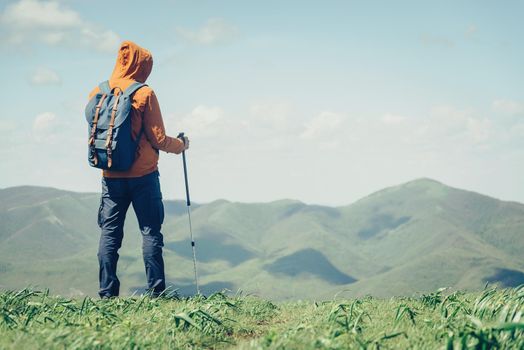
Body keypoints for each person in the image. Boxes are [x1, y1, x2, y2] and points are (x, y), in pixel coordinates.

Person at [88, 41, 188, 298]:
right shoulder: (144, 93)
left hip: (110, 176)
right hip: (143, 177)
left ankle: (107, 294)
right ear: (142, 65)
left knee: (109, 235)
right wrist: (182, 145)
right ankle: (157, 293)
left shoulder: (97, 93)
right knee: (151, 233)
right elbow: (159, 139)